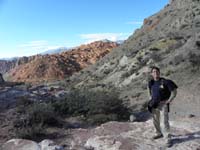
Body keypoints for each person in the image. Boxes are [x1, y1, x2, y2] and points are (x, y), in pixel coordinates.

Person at [147, 66, 178, 148]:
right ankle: (158, 133)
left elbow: (174, 91)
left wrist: (169, 100)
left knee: (164, 122)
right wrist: (150, 98)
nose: (155, 73)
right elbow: (149, 90)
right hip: (154, 104)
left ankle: (168, 139)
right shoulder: (151, 82)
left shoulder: (165, 82)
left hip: (163, 104)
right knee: (155, 120)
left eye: (157, 71)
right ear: (151, 74)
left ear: (159, 73)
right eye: (153, 72)